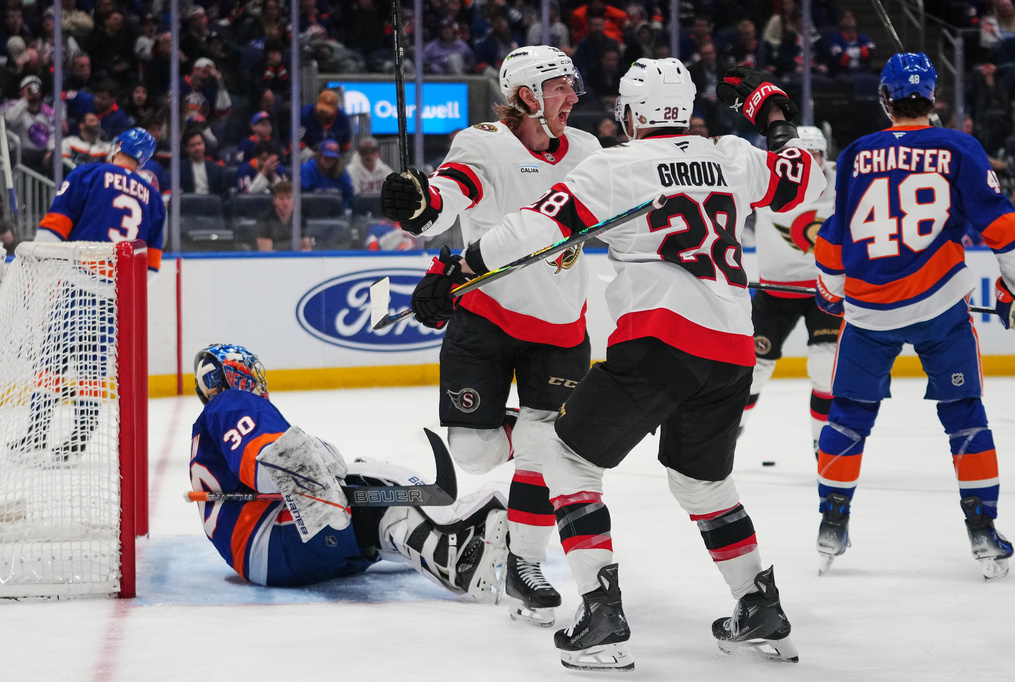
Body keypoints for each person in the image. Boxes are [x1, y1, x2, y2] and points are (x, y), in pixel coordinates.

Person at [418, 59, 826, 670]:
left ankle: (601, 615)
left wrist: (460, 266)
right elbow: (804, 183)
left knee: (562, 456)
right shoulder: (732, 155)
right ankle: (759, 607)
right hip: (733, 349)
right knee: (703, 483)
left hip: (660, 342)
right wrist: (772, 115)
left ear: (633, 113)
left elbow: (532, 228)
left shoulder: (613, 164)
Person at [380, 46, 601, 627]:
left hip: (561, 325)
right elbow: (445, 200)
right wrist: (418, 202)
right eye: (560, 88)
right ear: (527, 94)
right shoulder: (483, 143)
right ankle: (539, 440)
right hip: (487, 316)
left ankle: (524, 567)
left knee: (543, 445)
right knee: (474, 453)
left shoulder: (587, 150)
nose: (572, 97)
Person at [813, 53, 1015, 581]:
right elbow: (1003, 227)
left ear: (884, 100)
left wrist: (831, 291)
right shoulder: (958, 146)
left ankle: (831, 522)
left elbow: (834, 238)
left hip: (866, 314)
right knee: (964, 414)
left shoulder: (857, 152)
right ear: (933, 99)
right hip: (940, 310)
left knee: (847, 418)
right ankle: (982, 530)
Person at [188, 343, 509, 593]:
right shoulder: (231, 403)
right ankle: (455, 562)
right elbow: (269, 467)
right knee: (367, 486)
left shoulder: (215, 421)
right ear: (235, 372)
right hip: (272, 544)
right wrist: (325, 499)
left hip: (267, 559)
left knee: (366, 506)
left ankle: (456, 538)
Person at [10, 129, 165, 460]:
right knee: (92, 368)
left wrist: (35, 267)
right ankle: (79, 438)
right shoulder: (153, 198)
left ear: (116, 146)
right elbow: (149, 268)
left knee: (51, 361)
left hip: (77, 286)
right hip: (113, 297)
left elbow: (52, 231)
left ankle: (37, 434)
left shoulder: (89, 173)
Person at [742, 125, 840, 458]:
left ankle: (822, 443)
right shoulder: (766, 177)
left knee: (826, 369)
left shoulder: (844, 183)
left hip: (824, 293)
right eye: (803, 155)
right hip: (774, 292)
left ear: (825, 156)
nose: (810, 162)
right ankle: (730, 432)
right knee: (753, 371)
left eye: (816, 155)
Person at [2, 75, 56, 175]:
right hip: (21, 152)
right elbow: (10, 120)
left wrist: (51, 149)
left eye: (37, 89)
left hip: (41, 154)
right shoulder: (13, 105)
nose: (34, 92)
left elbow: (54, 133)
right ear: (21, 92)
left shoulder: (47, 111)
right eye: (29, 89)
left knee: (55, 156)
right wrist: (25, 100)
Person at [255, 180, 311, 252]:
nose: (285, 203)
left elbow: (306, 249)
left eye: (289, 198)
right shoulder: (264, 221)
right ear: (275, 201)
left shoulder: (300, 219)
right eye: (281, 198)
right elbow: (266, 253)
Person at [300, 139, 354, 208]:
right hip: (312, 212)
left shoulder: (342, 172)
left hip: (336, 213)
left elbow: (348, 196)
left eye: (332, 158)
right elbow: (302, 196)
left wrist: (342, 210)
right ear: (320, 155)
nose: (329, 160)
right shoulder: (307, 169)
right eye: (326, 157)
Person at [299, 89, 351, 160]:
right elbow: (295, 142)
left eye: (327, 111)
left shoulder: (343, 119)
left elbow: (345, 148)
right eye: (321, 109)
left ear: (335, 110)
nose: (323, 113)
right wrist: (312, 156)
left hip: (334, 158)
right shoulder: (305, 115)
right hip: (308, 156)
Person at [180, 127, 227, 197]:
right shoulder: (179, 169)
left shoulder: (216, 169)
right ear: (186, 148)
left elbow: (223, 195)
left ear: (204, 145)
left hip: (211, 205)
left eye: (199, 144)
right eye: (193, 145)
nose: (197, 148)